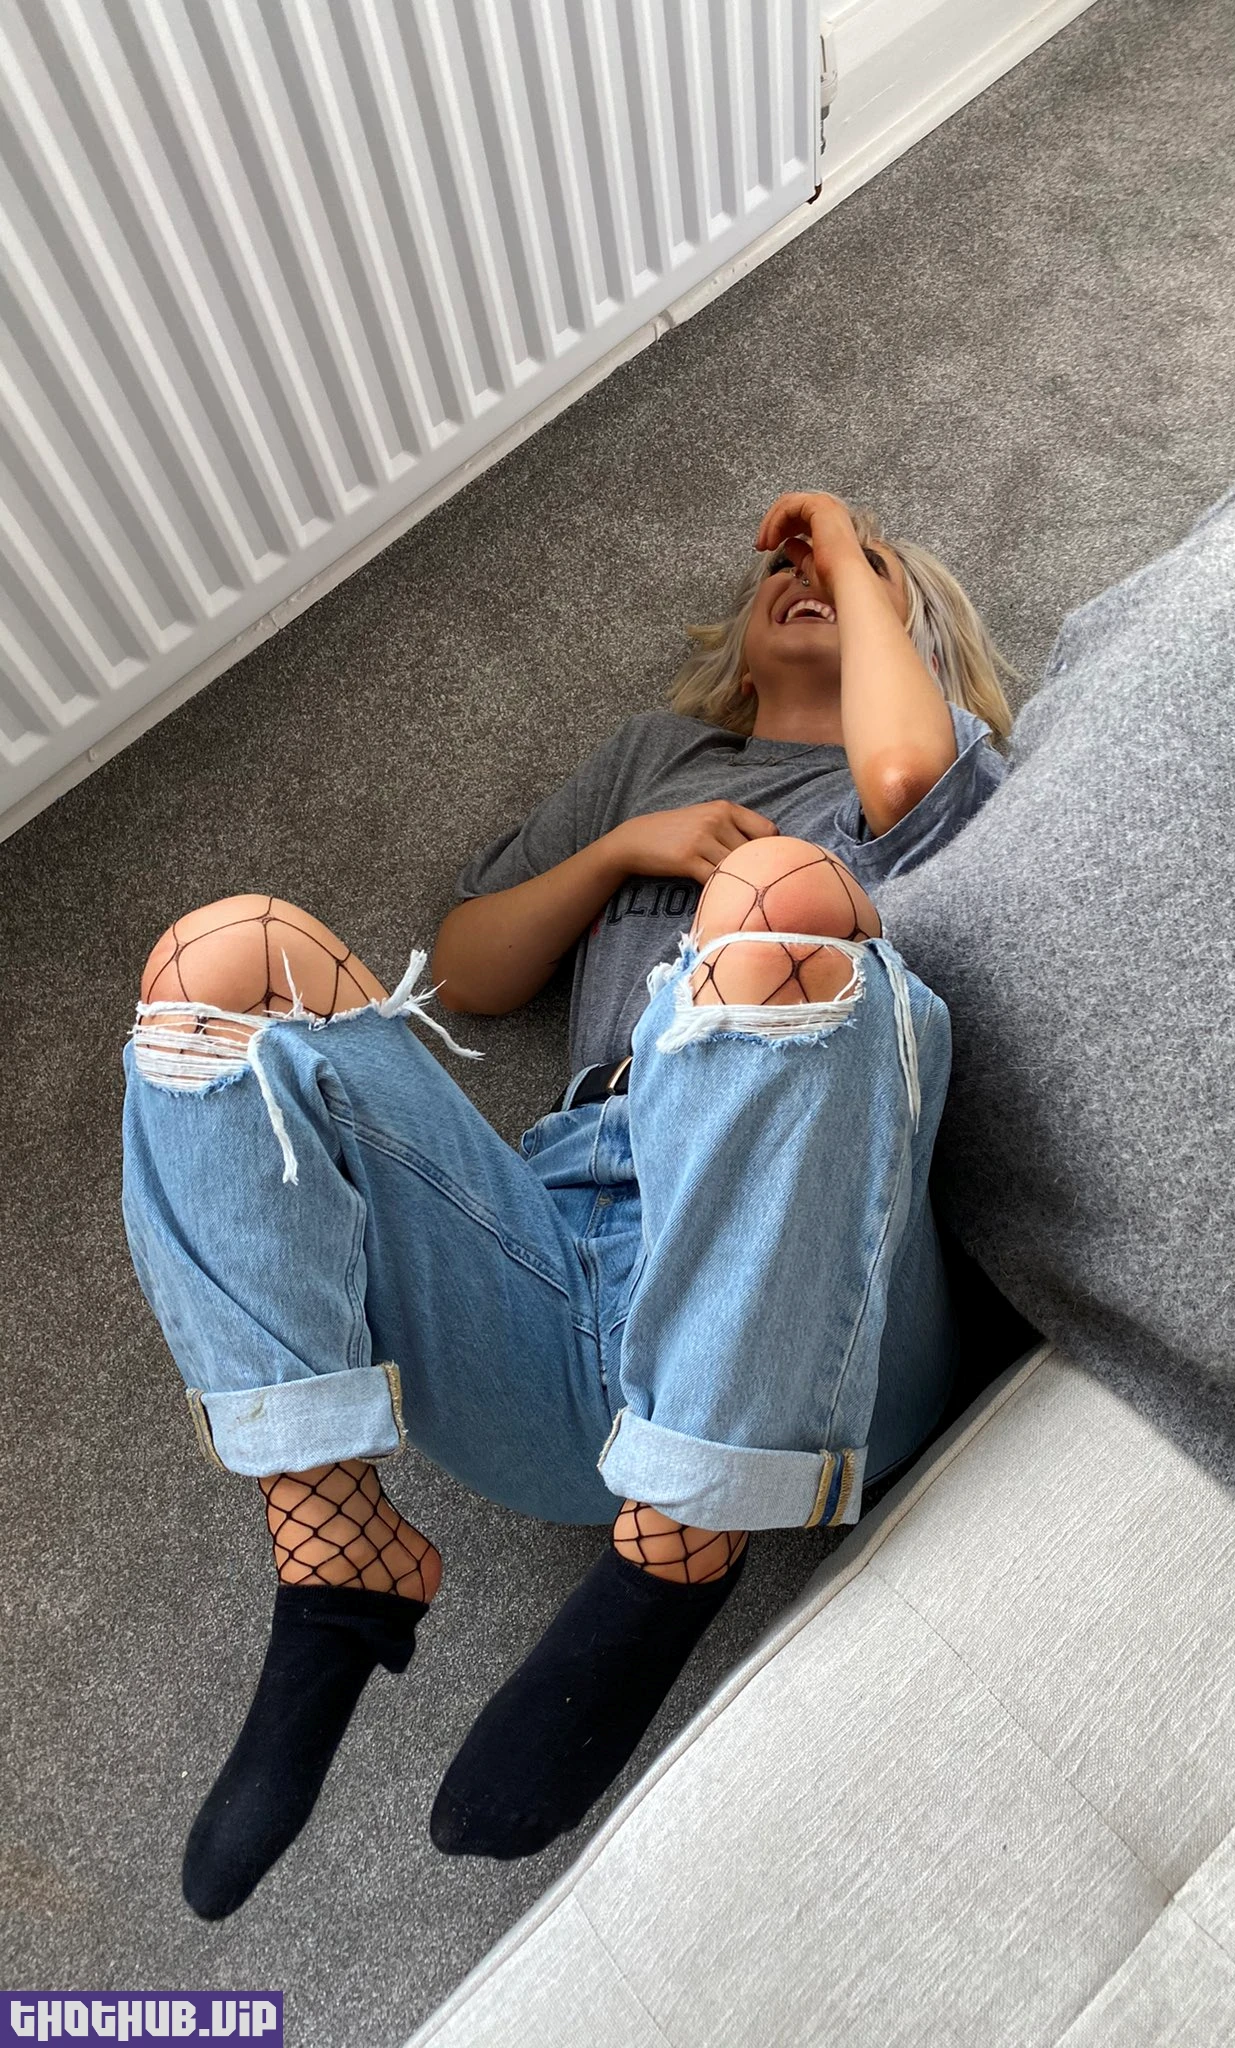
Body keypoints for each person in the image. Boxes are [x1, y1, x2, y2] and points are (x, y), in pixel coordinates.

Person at [121, 490, 1016, 1920]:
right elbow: (470, 970)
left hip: (813, 1316)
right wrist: (624, 849)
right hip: (559, 1258)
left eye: (859, 576)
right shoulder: (656, 759)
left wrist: (850, 543)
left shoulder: (929, 762)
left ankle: (684, 1548)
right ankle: (335, 1541)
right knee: (223, 956)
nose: (809, 574)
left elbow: (905, 773)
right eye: (788, 570)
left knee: (781, 897)